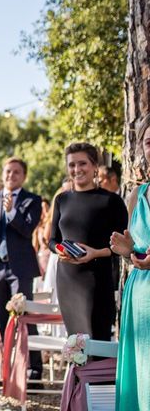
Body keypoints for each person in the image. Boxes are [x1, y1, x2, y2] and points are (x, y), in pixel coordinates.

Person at [48, 142, 127, 340]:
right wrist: (61, 251)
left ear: (94, 166)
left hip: (96, 280)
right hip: (67, 280)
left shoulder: (111, 201)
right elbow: (52, 240)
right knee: (75, 344)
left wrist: (95, 253)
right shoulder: (62, 200)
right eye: (72, 165)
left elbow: (123, 247)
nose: (77, 169)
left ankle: (98, 373)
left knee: (96, 340)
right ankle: (79, 373)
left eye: (82, 163)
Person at [0, 157, 43, 378]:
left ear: (23, 176)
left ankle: (33, 369)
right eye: (7, 171)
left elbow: (27, 230)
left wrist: (12, 212)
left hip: (20, 268)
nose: (11, 176)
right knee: (2, 322)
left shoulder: (32, 200)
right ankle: (7, 371)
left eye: (16, 172)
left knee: (24, 318)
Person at [110, 116, 150, 410]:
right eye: (149, 143)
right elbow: (135, 248)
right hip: (141, 296)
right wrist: (128, 251)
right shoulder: (138, 194)